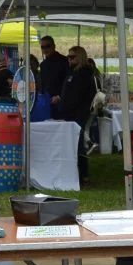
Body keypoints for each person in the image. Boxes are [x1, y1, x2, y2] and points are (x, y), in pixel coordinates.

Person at [58, 46, 98, 185]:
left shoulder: (84, 74)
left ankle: (82, 174)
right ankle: (78, 173)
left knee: (78, 144)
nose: (69, 59)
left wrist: (66, 107)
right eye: (68, 57)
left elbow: (77, 96)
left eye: (72, 57)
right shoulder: (72, 72)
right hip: (70, 114)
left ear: (80, 57)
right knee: (75, 144)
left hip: (77, 115)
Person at [37, 35, 68, 119]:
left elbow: (68, 82)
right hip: (46, 102)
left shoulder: (64, 61)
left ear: (54, 46)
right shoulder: (43, 65)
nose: (45, 49)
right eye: (43, 47)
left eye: (48, 46)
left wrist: (60, 96)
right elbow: (43, 84)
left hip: (61, 102)